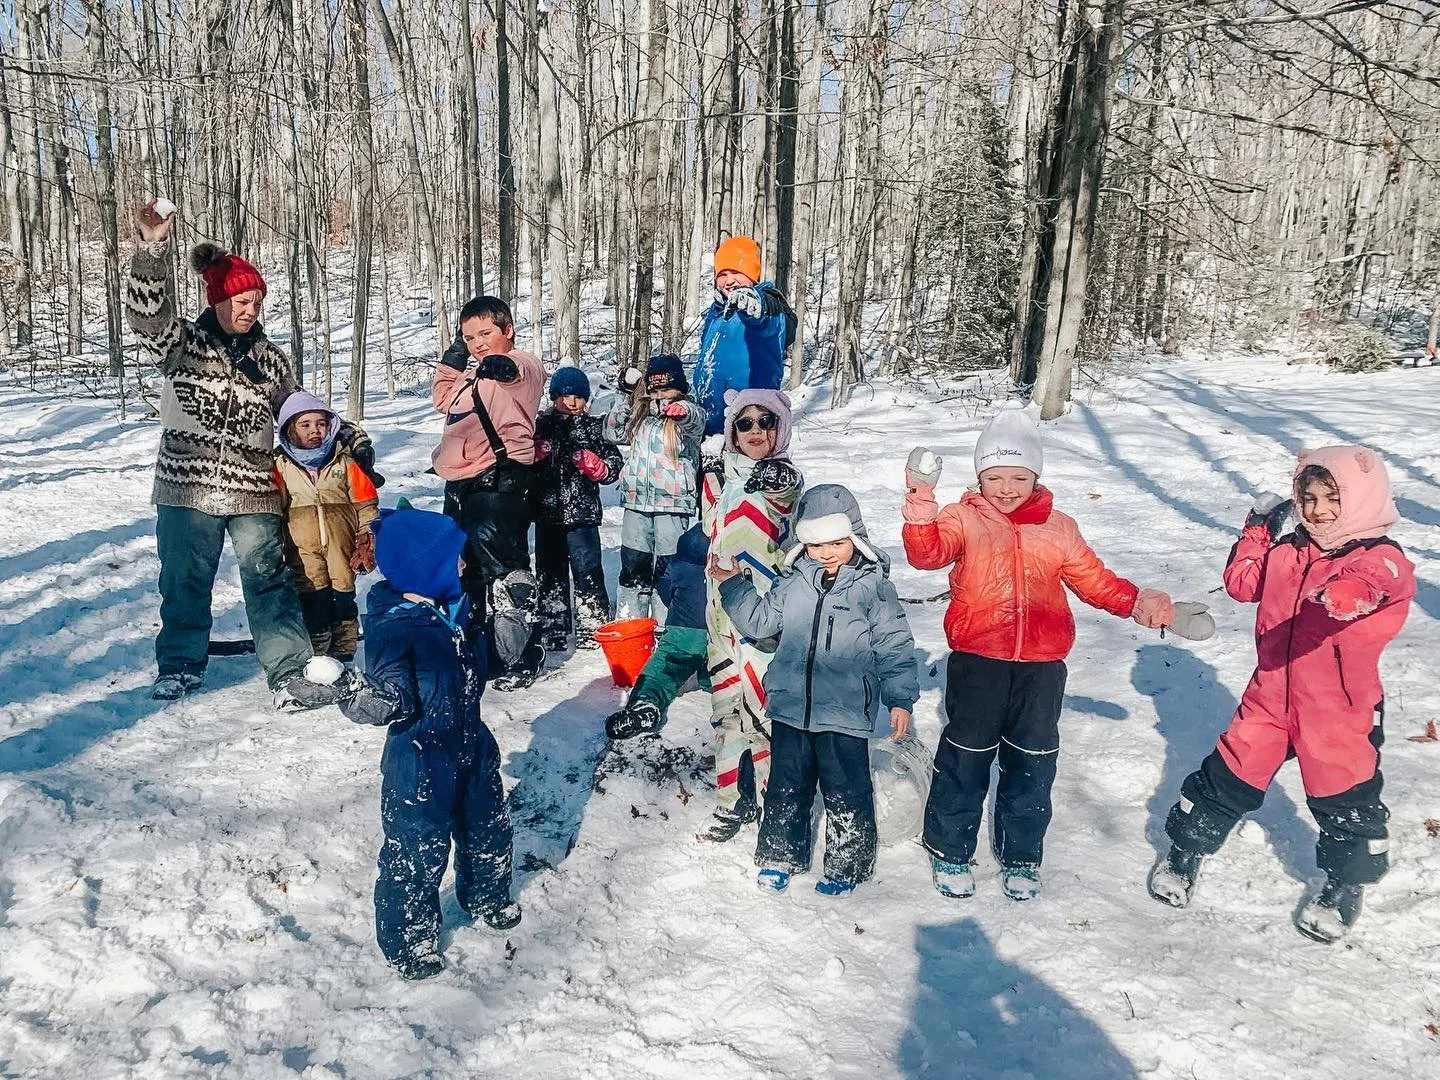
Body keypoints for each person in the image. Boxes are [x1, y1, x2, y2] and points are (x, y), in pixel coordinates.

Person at [902, 409, 1193, 901]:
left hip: (1041, 668)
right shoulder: (964, 517)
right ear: (979, 477)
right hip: (978, 660)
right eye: (994, 476)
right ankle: (950, 848)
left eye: (1018, 476)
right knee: (966, 756)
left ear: (1036, 476)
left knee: (1033, 761)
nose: (1007, 487)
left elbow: (1094, 581)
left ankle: (1021, 855)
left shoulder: (1059, 528)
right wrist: (921, 502)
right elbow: (926, 555)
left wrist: (1138, 602)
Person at [1149, 447, 1414, 943]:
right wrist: (1257, 531)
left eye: (1333, 499)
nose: (1317, 510)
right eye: (1308, 498)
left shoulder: (1381, 558)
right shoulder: (1289, 551)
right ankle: (1186, 852)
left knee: (1344, 796)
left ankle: (1345, 884)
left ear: (1362, 499)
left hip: (1338, 708)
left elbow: (1379, 583)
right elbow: (1242, 583)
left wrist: (1348, 592)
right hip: (1271, 692)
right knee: (1228, 774)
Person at [124, 198, 365, 710]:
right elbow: (148, 317)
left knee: (270, 579)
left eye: (257, 301)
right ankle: (180, 666)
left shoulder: (271, 359)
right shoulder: (182, 345)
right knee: (185, 579)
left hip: (253, 487)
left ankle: (291, 671)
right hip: (185, 485)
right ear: (216, 300)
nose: (250, 309)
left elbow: (300, 416)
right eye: (241, 300)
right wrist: (151, 249)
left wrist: (349, 439)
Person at [338, 507, 521, 981]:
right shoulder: (396, 628)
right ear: (426, 566)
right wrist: (351, 691)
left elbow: (495, 663)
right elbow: (390, 700)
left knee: (488, 827)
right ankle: (409, 936)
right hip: (419, 761)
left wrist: (513, 617)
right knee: (416, 850)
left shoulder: (457, 610)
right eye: (456, 559)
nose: (465, 566)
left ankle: (487, 894)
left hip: (471, 745)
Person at [713, 485, 919, 896]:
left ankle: (848, 864)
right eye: (815, 544)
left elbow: (894, 644)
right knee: (788, 785)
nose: (826, 553)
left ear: (856, 539)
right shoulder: (793, 583)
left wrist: (900, 697)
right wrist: (734, 586)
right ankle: (779, 855)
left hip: (844, 712)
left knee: (846, 790)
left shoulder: (871, 589)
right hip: (791, 708)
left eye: (837, 543)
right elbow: (759, 622)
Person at [698, 388, 803, 842]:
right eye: (745, 423)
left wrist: (775, 478)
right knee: (725, 713)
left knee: (763, 715)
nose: (756, 430)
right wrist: (713, 475)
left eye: (766, 422)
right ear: (732, 432)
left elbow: (785, 497)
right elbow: (708, 526)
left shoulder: (782, 478)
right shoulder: (722, 478)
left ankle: (770, 804)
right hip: (720, 619)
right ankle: (727, 802)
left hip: (762, 618)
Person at [431, 295, 546, 690]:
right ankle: (481, 647)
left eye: (485, 333)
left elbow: (525, 372)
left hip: (499, 477)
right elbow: (442, 398)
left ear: (507, 331)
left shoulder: (519, 366)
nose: (478, 343)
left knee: (505, 571)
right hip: (459, 482)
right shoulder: (469, 376)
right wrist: (451, 362)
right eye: (469, 337)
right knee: (463, 569)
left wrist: (504, 364)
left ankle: (524, 652)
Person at [272, 391, 379, 661]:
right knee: (313, 595)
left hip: (341, 544)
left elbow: (366, 503)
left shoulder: (345, 462)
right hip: (302, 548)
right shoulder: (281, 466)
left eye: (320, 423)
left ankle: (344, 644)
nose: (314, 431)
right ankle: (318, 646)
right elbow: (274, 509)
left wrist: (367, 533)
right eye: (305, 425)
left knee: (343, 591)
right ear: (290, 430)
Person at [603, 354, 706, 621]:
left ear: (681, 389)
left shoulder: (688, 415)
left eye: (667, 388)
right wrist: (625, 396)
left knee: (667, 569)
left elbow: (697, 421)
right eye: (655, 388)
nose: (661, 395)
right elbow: (612, 433)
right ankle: (631, 623)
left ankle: (667, 624)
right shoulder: (641, 414)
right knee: (634, 566)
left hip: (673, 505)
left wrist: (682, 411)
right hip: (636, 503)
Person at [532, 366, 623, 652]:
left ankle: (592, 623)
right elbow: (519, 458)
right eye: (565, 395)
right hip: (548, 512)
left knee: (587, 568)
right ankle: (552, 625)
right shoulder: (541, 426)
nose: (571, 402)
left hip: (583, 513)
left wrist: (601, 467)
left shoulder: (594, 428)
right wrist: (534, 456)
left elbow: (614, 462)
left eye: (578, 397)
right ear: (554, 396)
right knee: (550, 570)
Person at [605, 523, 711, 739]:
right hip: (726, 631)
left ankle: (645, 704)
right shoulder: (746, 530)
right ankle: (712, 679)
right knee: (726, 666)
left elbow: (665, 591)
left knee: (662, 669)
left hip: (685, 630)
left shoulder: (686, 552)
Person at [692, 236, 797, 436]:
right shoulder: (715, 313)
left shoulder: (765, 304)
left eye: (737, 272)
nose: (729, 280)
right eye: (723, 274)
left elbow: (765, 318)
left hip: (749, 426)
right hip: (710, 425)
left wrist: (756, 300)